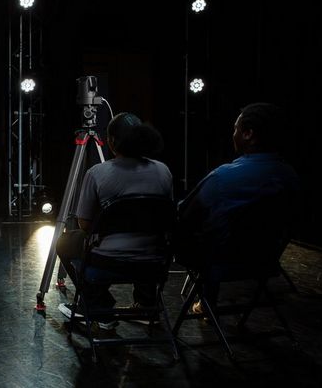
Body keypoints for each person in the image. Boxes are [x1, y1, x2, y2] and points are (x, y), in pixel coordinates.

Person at [175, 102, 300, 312]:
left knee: (204, 232)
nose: (233, 134)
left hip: (220, 262)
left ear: (248, 134)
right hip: (265, 262)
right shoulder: (291, 176)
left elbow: (186, 214)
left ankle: (204, 302)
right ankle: (206, 302)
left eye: (236, 129)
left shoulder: (223, 177)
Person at [56, 112, 173, 329]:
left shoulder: (97, 173)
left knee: (65, 241)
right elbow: (165, 216)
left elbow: (85, 224)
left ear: (110, 141)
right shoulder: (163, 171)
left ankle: (99, 308)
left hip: (107, 262)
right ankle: (146, 305)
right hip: (153, 262)